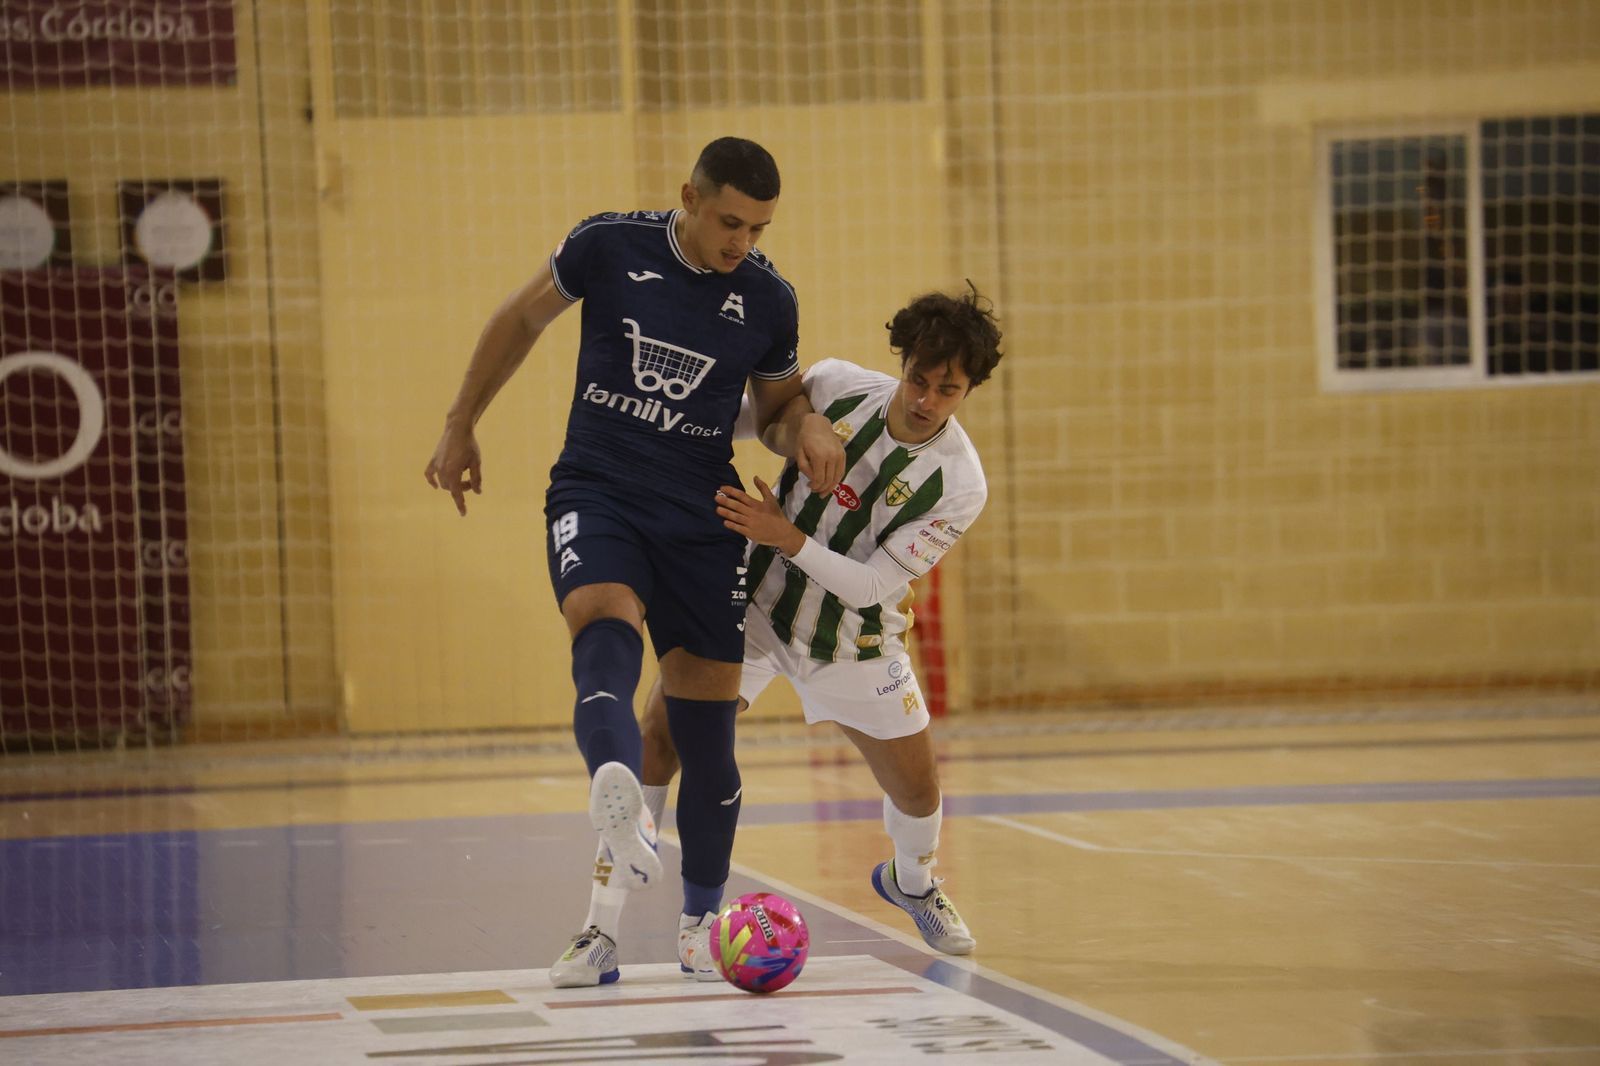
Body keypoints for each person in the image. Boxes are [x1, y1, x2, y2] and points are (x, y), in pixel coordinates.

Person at [423, 137, 845, 989]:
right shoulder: (609, 244)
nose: (742, 243)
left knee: (706, 735)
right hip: (600, 487)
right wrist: (461, 420)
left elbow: (772, 410)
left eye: (758, 229)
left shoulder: (768, 298)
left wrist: (806, 425)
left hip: (702, 514)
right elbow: (520, 319)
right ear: (689, 197)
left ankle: (700, 929)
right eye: (729, 222)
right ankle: (608, 856)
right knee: (600, 615)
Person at [588, 284, 1003, 976]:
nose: (926, 399)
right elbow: (745, 421)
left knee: (918, 790)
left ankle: (912, 881)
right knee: (659, 731)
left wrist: (786, 536)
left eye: (948, 390)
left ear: (968, 391)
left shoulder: (960, 484)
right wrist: (655, 435)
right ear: (902, 363)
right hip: (752, 612)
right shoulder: (837, 386)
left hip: (855, 644)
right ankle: (601, 925)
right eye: (918, 379)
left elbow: (872, 587)